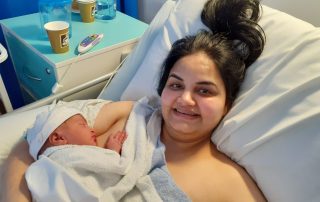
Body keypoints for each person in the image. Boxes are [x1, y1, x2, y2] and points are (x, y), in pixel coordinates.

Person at [2, 0, 267, 201]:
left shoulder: (230, 183)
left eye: (205, 90)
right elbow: (37, 139)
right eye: (176, 85)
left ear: (227, 105)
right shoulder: (133, 115)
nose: (185, 99)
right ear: (162, 90)